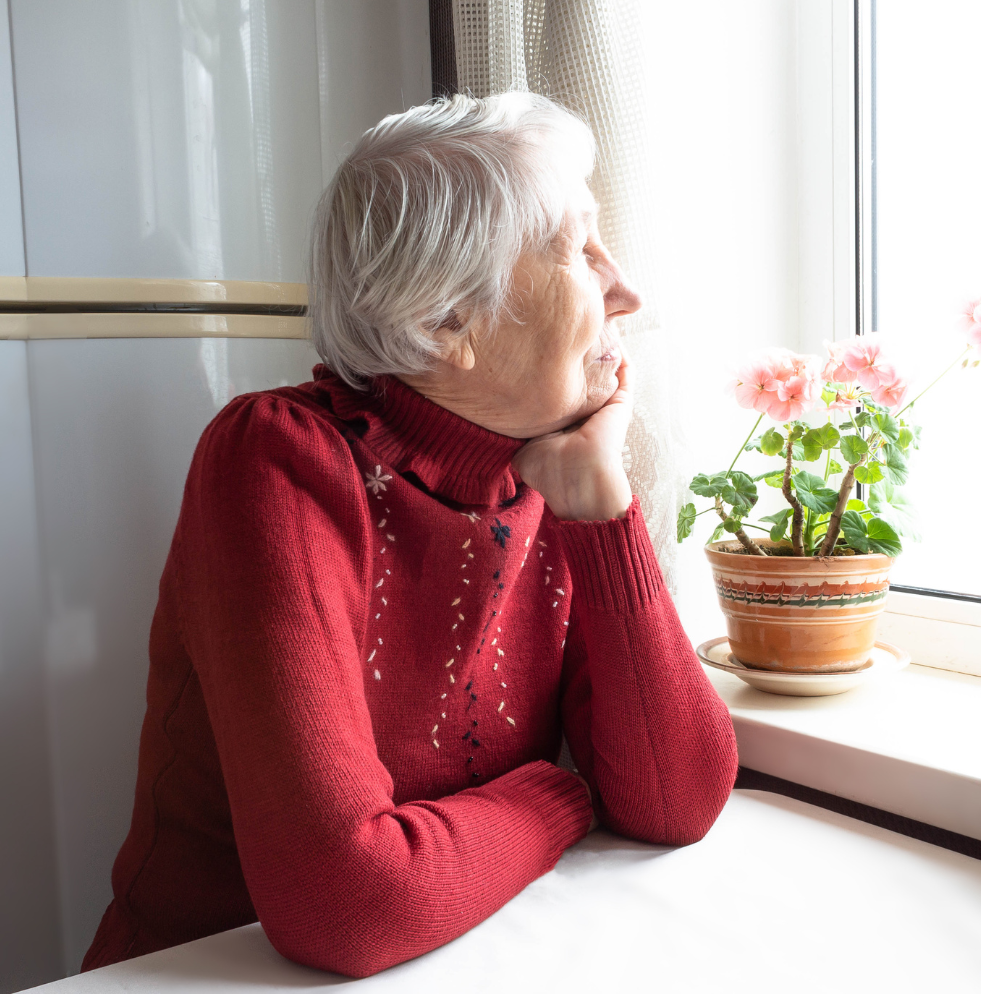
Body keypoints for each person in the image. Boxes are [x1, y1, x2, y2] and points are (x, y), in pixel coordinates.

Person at [83, 92, 738, 979]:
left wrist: (602, 511)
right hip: (205, 973)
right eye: (579, 252)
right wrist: (558, 796)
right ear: (444, 323)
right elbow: (347, 904)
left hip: (457, 952)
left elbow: (679, 798)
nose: (626, 290)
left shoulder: (547, 468)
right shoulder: (276, 460)